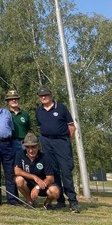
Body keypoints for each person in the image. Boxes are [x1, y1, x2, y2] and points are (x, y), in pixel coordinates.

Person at [35, 85, 79, 213]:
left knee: (66, 172)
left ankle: (73, 202)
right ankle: (60, 201)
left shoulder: (61, 108)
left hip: (61, 141)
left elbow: (72, 127)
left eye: (46, 95)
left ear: (51, 95)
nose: (43, 97)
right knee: (53, 173)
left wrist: (65, 142)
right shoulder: (39, 111)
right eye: (41, 96)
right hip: (46, 141)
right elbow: (40, 127)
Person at [14, 132, 60, 209]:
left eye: (33, 147)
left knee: (55, 191)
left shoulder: (45, 157)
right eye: (28, 147)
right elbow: (17, 171)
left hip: (43, 185)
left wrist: (38, 187)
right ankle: (30, 202)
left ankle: (47, 203)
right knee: (18, 180)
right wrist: (34, 177)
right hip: (28, 184)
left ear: (38, 146)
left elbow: (50, 178)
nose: (31, 150)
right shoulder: (20, 154)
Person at [5, 90, 32, 154]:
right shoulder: (5, 114)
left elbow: (29, 129)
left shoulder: (24, 114)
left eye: (15, 99)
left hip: (24, 142)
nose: (14, 100)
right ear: (8, 101)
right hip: (11, 142)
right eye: (11, 99)